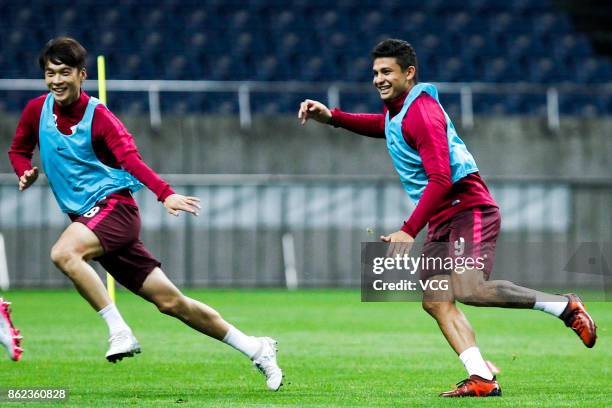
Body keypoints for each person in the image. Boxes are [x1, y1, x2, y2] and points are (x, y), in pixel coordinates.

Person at [298, 38, 597, 397]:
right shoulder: (400, 110)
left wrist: (409, 230)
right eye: (375, 72)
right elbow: (384, 127)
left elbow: (441, 177)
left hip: (467, 207)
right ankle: (482, 379)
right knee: (436, 300)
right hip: (444, 215)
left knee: (470, 289)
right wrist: (333, 117)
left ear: (409, 73)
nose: (378, 78)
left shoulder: (422, 113)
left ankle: (565, 306)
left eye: (387, 71)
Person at [8, 37, 282, 391]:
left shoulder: (101, 116)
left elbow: (131, 160)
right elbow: (18, 149)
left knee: (64, 253)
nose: (57, 80)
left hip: (114, 209)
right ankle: (257, 348)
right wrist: (23, 171)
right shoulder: (37, 110)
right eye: (50, 73)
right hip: (87, 219)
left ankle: (119, 331)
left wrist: (164, 194)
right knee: (171, 302)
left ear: (82, 75)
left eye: (64, 73)